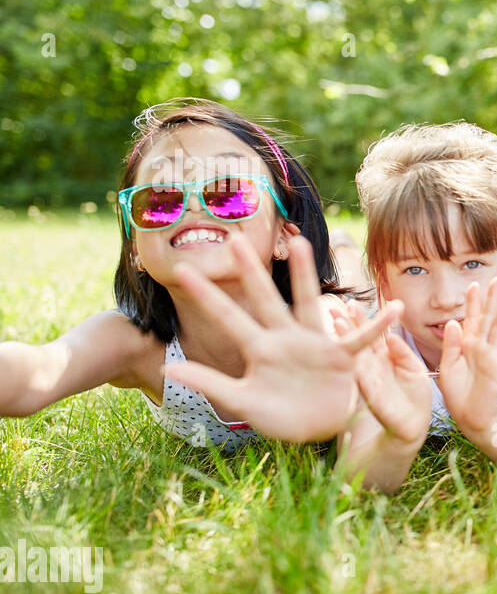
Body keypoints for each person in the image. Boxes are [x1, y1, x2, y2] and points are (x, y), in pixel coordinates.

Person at [0, 100, 395, 448]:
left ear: (282, 235)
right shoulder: (135, 345)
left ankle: (339, 248)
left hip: (331, 295)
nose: (193, 205)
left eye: (229, 192)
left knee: (351, 281)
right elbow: (37, 372)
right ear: (136, 248)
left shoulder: (318, 321)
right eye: (160, 199)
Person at [335, 122, 497, 491]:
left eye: (470, 264)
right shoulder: (381, 348)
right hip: (380, 301)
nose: (445, 298)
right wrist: (397, 440)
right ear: (385, 278)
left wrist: (485, 423)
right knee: (351, 287)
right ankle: (344, 247)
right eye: (415, 268)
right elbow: (355, 477)